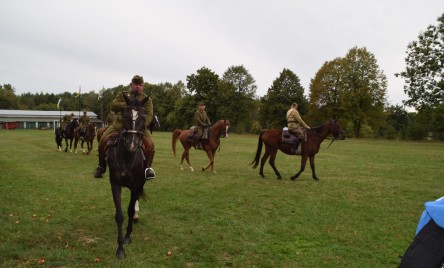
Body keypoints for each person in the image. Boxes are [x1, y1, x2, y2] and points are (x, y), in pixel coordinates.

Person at [93, 75, 155, 180]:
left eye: (140, 85)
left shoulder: (147, 99)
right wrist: (126, 104)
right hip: (120, 125)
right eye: (135, 85)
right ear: (131, 85)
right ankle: (101, 166)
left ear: (143, 86)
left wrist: (143, 125)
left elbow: (149, 114)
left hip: (139, 127)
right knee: (103, 139)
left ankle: (147, 169)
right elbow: (113, 105)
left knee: (150, 144)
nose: (138, 87)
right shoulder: (123, 95)